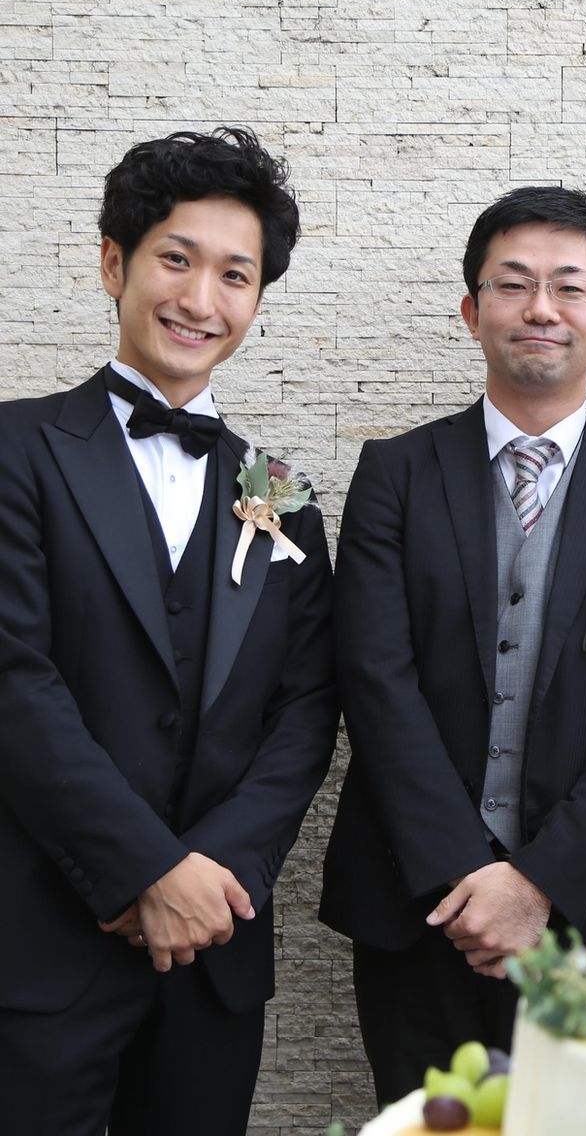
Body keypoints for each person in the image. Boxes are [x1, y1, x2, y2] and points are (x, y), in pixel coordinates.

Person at [320, 185, 586, 1106]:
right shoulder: (395, 474)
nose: (542, 308)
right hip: (417, 900)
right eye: (513, 283)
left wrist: (537, 883)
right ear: (472, 309)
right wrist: (468, 875)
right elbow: (374, 678)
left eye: (570, 287)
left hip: (581, 909)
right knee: (422, 1120)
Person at [0, 127, 338, 1135]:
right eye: (176, 259)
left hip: (214, 949)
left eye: (235, 274)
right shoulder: (16, 450)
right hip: (42, 937)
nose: (201, 299)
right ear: (116, 263)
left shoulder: (282, 493)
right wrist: (147, 869)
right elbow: (15, 679)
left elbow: (305, 709)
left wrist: (211, 879)